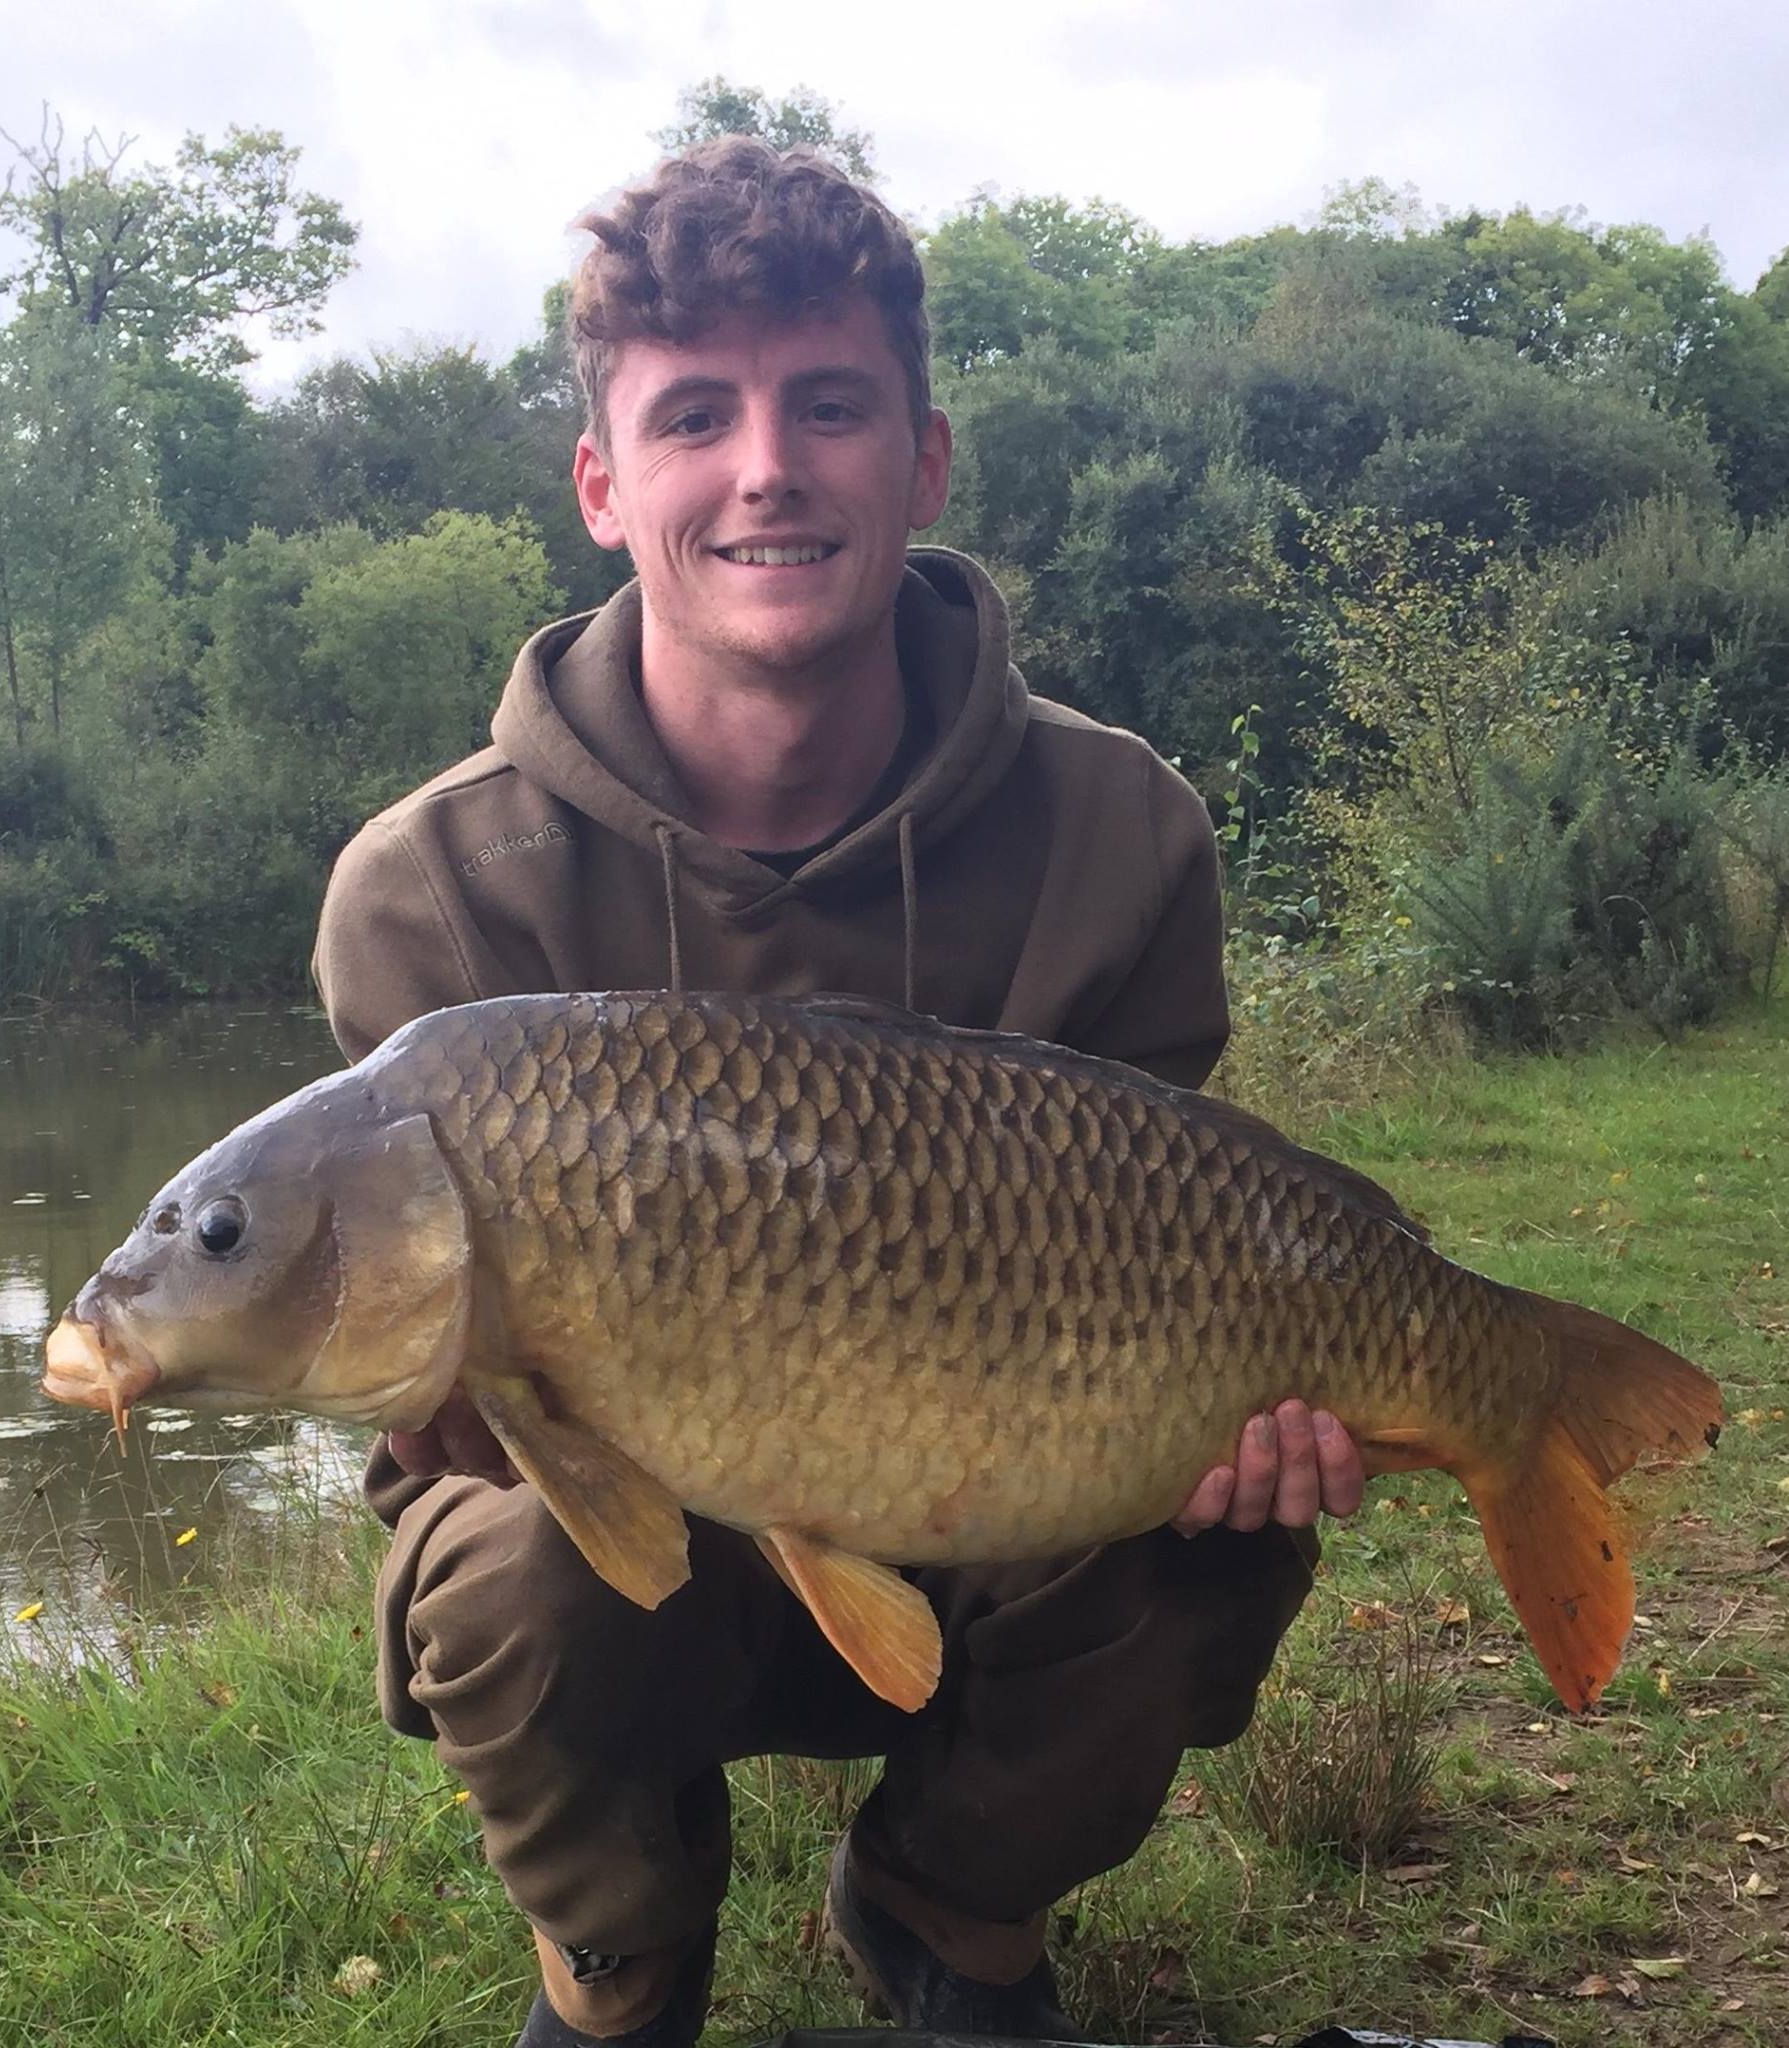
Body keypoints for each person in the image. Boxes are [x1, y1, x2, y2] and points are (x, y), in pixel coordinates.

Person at [312, 137, 1363, 2048]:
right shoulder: (435, 889)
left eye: (828, 406)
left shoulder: (1115, 831)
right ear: (602, 483)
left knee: (1213, 1532)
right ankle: (617, 1958)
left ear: (924, 460)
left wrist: (1243, 1409)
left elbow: (1179, 1235)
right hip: (625, 1520)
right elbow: (421, 1419)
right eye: (693, 414)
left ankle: (948, 1913)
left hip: (999, 1469)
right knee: (516, 1567)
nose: (765, 466)